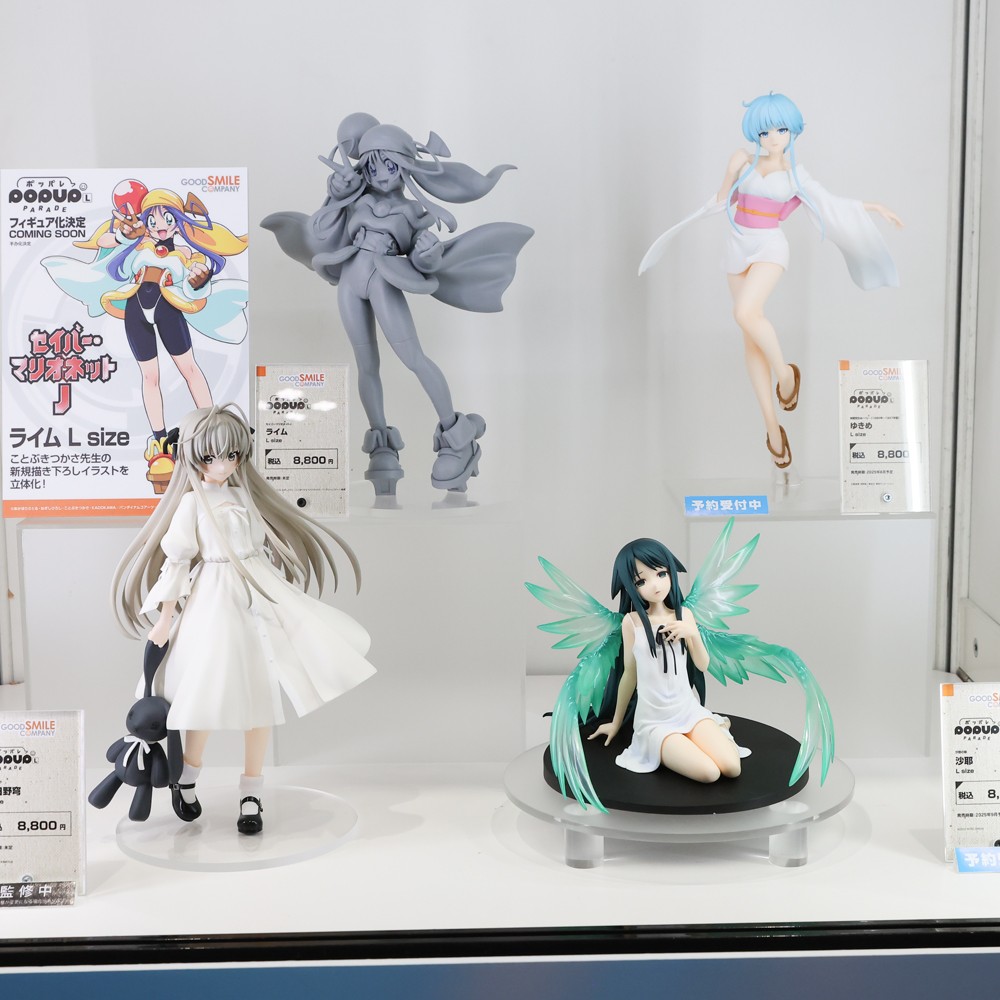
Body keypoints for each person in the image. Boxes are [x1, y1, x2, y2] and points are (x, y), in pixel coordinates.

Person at [112, 404, 374, 834]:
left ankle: (251, 790)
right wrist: (166, 616)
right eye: (212, 456)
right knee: (205, 691)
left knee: (260, 695)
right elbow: (176, 562)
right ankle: (188, 776)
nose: (224, 464)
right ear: (193, 457)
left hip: (257, 591)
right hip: (213, 598)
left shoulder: (244, 496)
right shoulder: (191, 503)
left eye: (233, 455)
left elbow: (257, 545)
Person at [263, 113, 532, 496]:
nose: (381, 173)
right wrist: (337, 193)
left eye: (390, 165)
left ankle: (458, 437)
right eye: (373, 165)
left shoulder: (413, 212)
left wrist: (428, 253)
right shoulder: (357, 200)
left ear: (405, 165)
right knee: (366, 365)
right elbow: (324, 228)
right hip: (350, 280)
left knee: (413, 358)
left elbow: (423, 258)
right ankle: (382, 445)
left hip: (385, 281)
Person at [640, 93, 902, 469]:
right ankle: (772, 428)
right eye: (765, 131)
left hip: (769, 247)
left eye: (780, 129)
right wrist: (729, 172)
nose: (773, 137)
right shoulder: (744, 162)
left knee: (746, 313)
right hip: (737, 247)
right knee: (750, 339)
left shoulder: (796, 174)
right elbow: (720, 203)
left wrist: (871, 207)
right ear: (756, 134)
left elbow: (830, 203)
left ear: (792, 130)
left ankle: (786, 375)